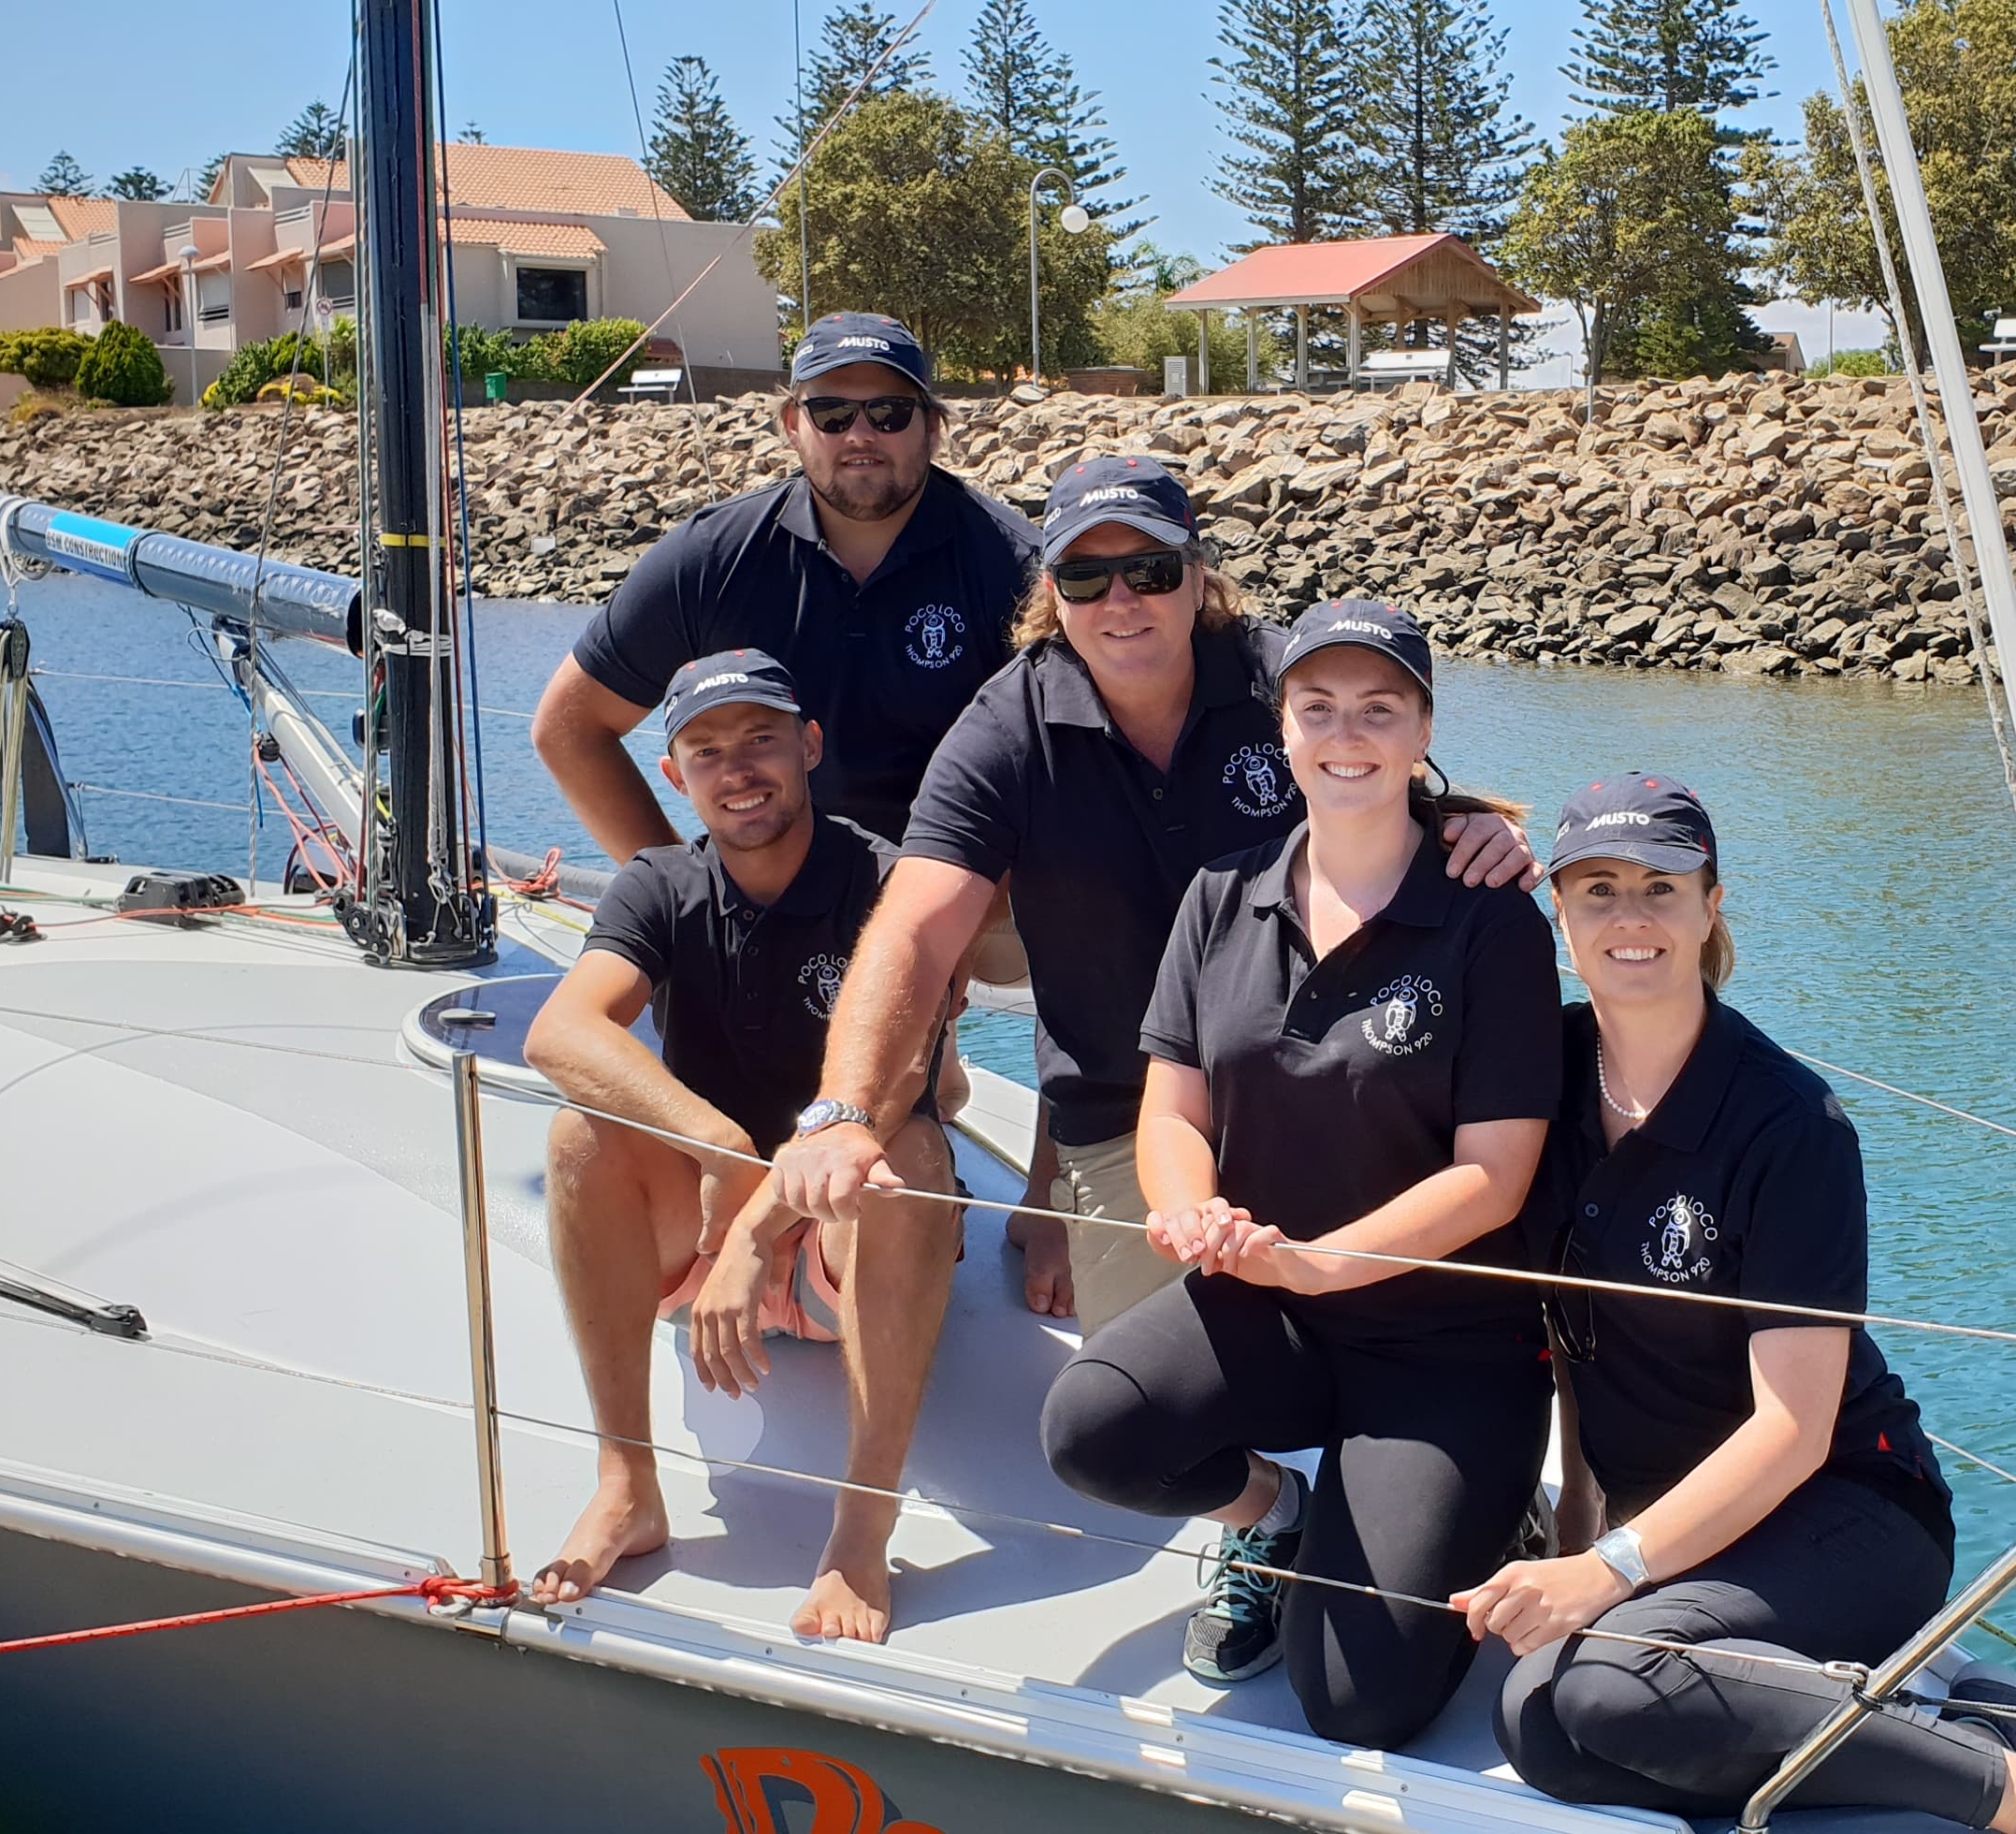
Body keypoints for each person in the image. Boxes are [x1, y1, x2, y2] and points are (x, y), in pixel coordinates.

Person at [771, 461, 1537, 1675]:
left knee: (1379, 1323)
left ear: (1199, 578)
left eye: (1150, 569)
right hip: (1139, 1116)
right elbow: (914, 930)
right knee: (1141, 1413)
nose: (1121, 598)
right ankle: (1274, 1523)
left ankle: (1432, 1495)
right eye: (1086, 572)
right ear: (1052, 594)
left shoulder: (1271, 675)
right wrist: (839, 1109)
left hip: (1333, 1091)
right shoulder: (1008, 726)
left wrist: (1472, 821)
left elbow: (1377, 753)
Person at [1459, 776, 2016, 1834]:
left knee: (1593, 1692)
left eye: (1661, 889)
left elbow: (1795, 1428)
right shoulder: (1547, 1074)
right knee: (1540, 1726)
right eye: (1598, 890)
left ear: (1712, 906)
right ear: (1561, 913)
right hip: (1691, 1537)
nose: (1630, 918)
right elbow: (1580, 1344)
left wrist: (1606, 1567)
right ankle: (1985, 1723)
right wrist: (1577, 1533)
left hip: (1849, 1512)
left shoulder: (1789, 1121)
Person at [1037, 601, 1561, 1739]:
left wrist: (1330, 1265)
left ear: (1424, 732)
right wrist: (1191, 1218)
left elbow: (1498, 1176)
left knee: (1356, 1704)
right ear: (1282, 731)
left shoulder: (1492, 920)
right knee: (1089, 1428)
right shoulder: (1223, 896)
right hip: (1272, 1306)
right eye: (1317, 707)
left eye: (1380, 708)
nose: (1346, 733)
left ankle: (1489, 1501)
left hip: (1447, 1349)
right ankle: (1274, 1515)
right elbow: (1172, 1107)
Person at [528, 312, 1070, 1311]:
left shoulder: (1009, 566)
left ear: (933, 427)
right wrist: (683, 893)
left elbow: (1094, 745)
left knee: (1091, 881)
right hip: (772, 866)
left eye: (890, 410)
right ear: (792, 425)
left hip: (958, 890)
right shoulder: (713, 559)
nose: (861, 433)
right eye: (833, 410)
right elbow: (569, 726)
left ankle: (1054, 1188)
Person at [518, 650, 981, 1643]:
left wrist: (759, 1228)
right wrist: (723, 1147)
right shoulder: (659, 886)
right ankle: (627, 1482)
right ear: (676, 777)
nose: (740, 769)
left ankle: (860, 1529)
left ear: (809, 746)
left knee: (908, 1164)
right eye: (707, 750)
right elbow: (560, 1031)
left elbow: (898, 1084)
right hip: (709, 1232)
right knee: (579, 1136)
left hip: (834, 1247)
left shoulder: (887, 882)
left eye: (762, 739)